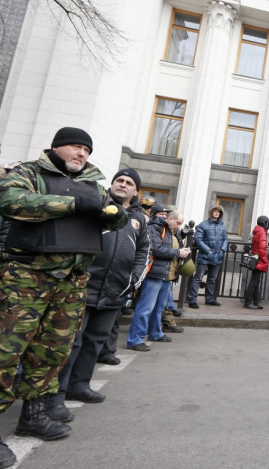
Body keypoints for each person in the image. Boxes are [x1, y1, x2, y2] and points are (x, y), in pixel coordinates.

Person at [0, 127, 128, 465]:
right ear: (57, 147)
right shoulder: (30, 172)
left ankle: (34, 415)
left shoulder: (93, 185)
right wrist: (72, 203)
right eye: (76, 146)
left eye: (86, 149)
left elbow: (116, 218)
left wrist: (113, 214)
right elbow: (11, 202)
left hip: (71, 281)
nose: (82, 154)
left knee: (51, 352)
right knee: (6, 351)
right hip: (26, 277)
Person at [47, 169, 149, 422]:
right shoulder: (97, 205)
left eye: (129, 183)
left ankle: (79, 385)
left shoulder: (139, 219)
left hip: (115, 290)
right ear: (112, 184)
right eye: (119, 181)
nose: (123, 185)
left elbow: (144, 252)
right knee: (72, 342)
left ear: (136, 191)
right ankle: (56, 395)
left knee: (95, 342)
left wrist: (133, 281)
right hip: (84, 286)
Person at [127, 207, 189, 351]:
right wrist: (178, 253)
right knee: (145, 308)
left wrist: (181, 252)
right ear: (170, 219)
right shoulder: (155, 228)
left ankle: (155, 333)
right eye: (178, 223)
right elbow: (155, 248)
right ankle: (135, 339)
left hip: (167, 274)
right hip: (155, 273)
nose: (179, 226)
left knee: (158, 308)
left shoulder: (173, 231)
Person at [187, 205, 228, 309]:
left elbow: (225, 239)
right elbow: (198, 239)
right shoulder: (203, 225)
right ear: (211, 212)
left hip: (217, 256)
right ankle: (192, 300)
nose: (217, 213)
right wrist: (208, 250)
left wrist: (222, 250)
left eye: (219, 212)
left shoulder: (222, 226)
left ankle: (209, 299)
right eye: (215, 211)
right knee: (198, 278)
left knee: (212, 279)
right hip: (204, 256)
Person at [244, 215, 269, 309]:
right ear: (265, 223)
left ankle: (256, 301)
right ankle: (247, 302)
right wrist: (264, 260)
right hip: (259, 259)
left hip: (255, 258)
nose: (268, 226)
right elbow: (262, 248)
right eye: (268, 224)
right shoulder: (262, 233)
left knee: (256, 281)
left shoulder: (257, 231)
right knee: (254, 281)